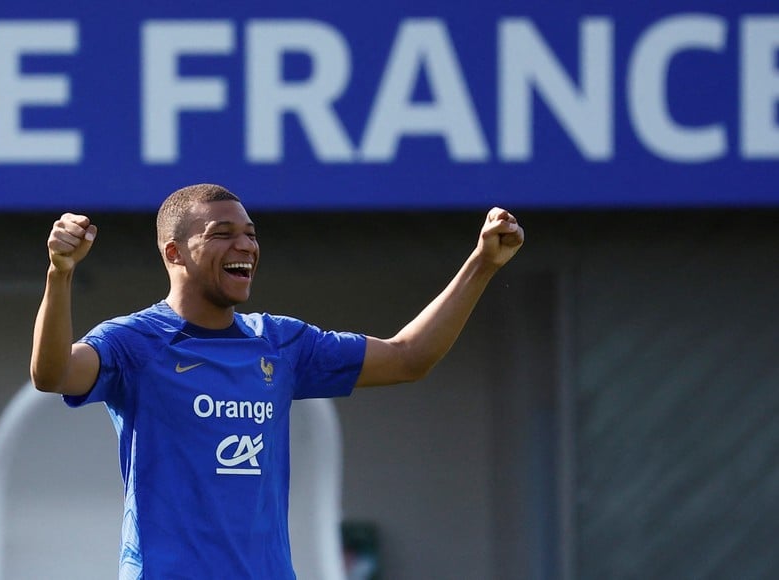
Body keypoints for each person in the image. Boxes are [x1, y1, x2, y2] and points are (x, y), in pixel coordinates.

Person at [30, 183, 524, 579]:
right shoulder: (135, 342)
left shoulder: (281, 343)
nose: (245, 244)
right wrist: (60, 274)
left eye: (250, 233)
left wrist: (482, 264)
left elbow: (409, 357)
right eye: (223, 233)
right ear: (175, 253)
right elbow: (52, 374)